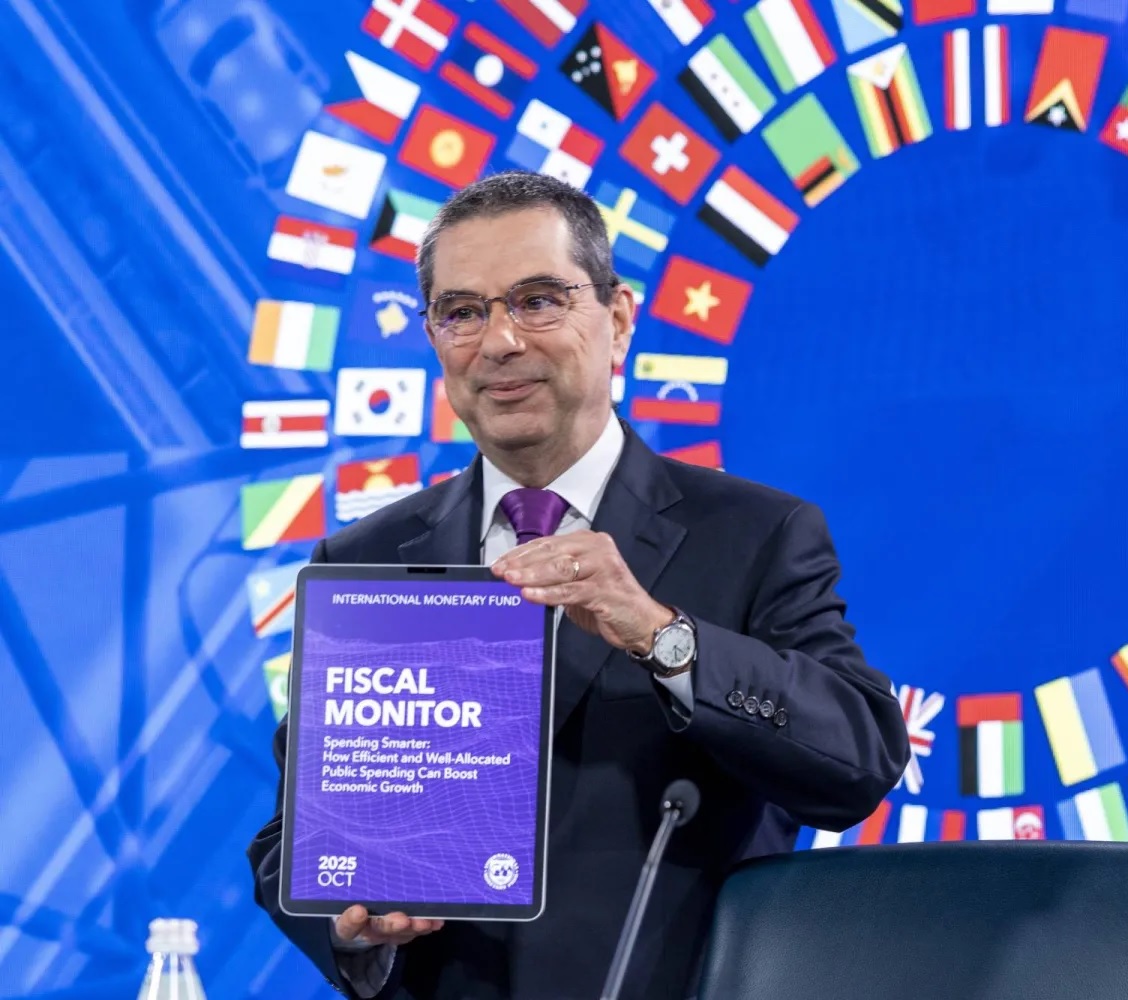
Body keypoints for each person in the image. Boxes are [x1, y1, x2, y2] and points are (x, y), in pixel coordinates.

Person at [246, 170, 910, 1000]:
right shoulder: (366, 560)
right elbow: (295, 838)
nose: (498, 342)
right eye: (461, 312)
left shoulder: (756, 534)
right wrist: (348, 928)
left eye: (536, 301)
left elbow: (859, 757)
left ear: (619, 318)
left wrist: (662, 636)